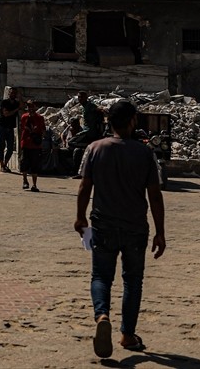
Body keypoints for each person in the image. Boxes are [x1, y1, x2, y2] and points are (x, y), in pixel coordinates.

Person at [74, 99, 165, 357]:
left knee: (101, 276)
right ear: (133, 121)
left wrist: (80, 218)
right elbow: (155, 196)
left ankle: (102, 316)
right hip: (135, 228)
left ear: (109, 122)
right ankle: (127, 334)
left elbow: (84, 187)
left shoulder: (94, 148)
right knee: (132, 281)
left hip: (101, 225)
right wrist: (160, 232)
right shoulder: (144, 152)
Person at [20, 100, 46, 192]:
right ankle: (25, 181)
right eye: (29, 106)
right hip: (26, 144)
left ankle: (34, 185)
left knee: (35, 165)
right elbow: (24, 128)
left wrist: (39, 139)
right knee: (24, 163)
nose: (30, 109)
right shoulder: (24, 117)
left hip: (35, 145)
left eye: (32, 106)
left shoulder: (39, 118)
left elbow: (43, 130)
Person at [0, 94, 18, 173]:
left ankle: (5, 164)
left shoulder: (16, 103)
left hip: (10, 128)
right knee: (2, 146)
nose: (13, 95)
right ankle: (2, 165)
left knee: (10, 148)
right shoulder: (5, 102)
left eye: (14, 93)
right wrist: (16, 109)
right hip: (2, 127)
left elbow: (22, 105)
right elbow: (6, 114)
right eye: (11, 93)